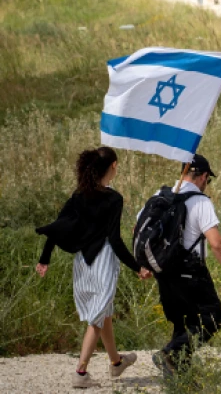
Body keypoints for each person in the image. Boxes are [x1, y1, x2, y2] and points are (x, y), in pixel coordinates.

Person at [35, 147, 146, 389]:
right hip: (104, 260)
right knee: (97, 316)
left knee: (102, 311)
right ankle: (81, 372)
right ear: (114, 166)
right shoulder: (114, 199)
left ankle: (116, 363)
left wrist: (45, 259)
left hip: (83, 262)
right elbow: (115, 240)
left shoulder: (79, 195)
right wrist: (137, 267)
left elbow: (58, 226)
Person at [143, 155, 221, 377]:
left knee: (182, 324)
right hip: (190, 270)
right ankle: (170, 354)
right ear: (203, 176)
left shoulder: (160, 195)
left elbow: (141, 229)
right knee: (211, 317)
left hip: (164, 269)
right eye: (207, 180)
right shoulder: (200, 200)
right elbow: (216, 243)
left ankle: (178, 381)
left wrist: (144, 263)